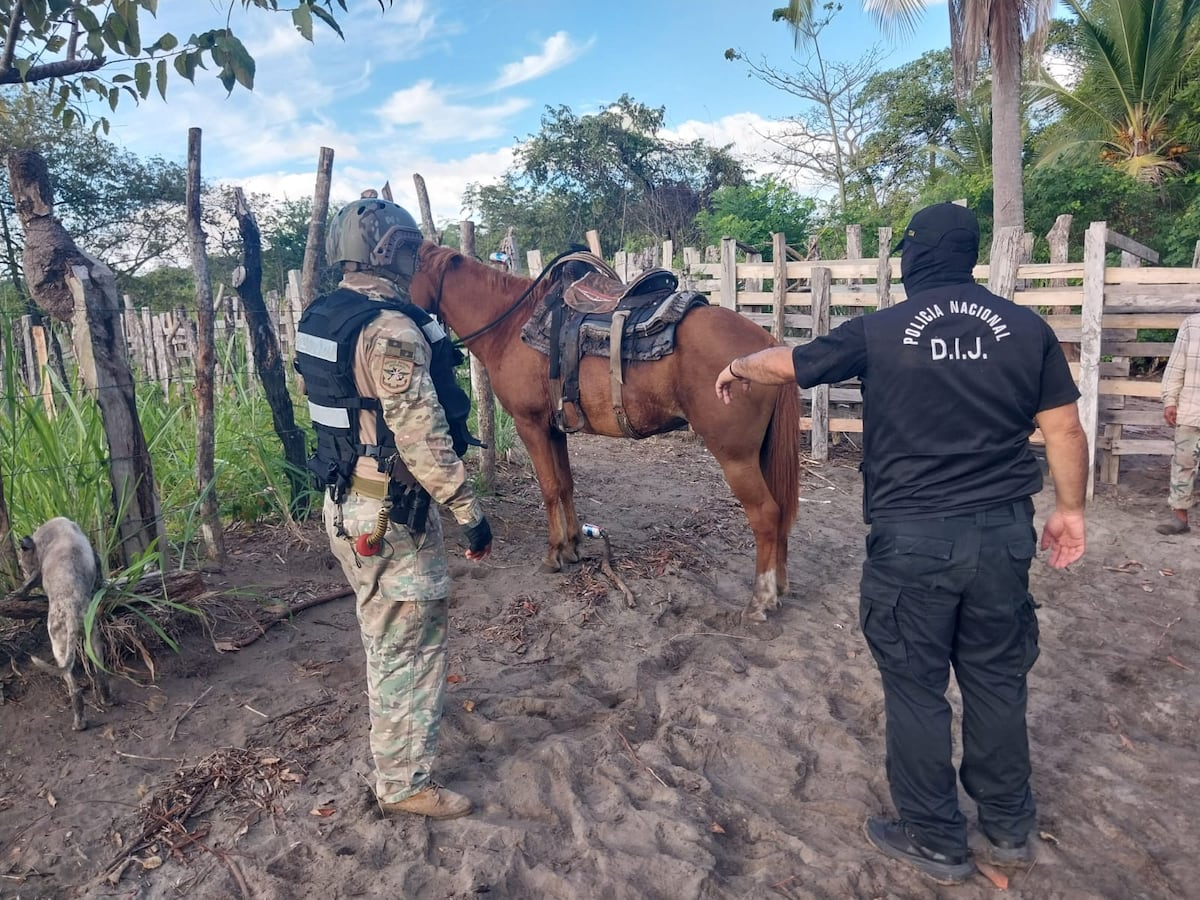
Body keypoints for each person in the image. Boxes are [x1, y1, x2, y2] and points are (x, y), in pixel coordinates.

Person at [714, 202, 1088, 884]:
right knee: (997, 680)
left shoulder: (883, 330)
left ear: (911, 258)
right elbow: (1064, 431)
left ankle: (935, 836)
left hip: (913, 540)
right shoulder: (1026, 329)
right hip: (1002, 533)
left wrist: (738, 366)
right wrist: (1070, 511)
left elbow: (790, 363)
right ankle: (1007, 828)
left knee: (916, 687)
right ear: (970, 255)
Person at [295, 193, 492, 820]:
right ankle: (404, 783)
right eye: (412, 248)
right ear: (393, 251)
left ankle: (398, 755)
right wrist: (468, 510)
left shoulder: (328, 315)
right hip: (386, 506)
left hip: (348, 497)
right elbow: (420, 433)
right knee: (407, 642)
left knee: (386, 635)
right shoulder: (392, 329)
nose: (417, 259)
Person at [1155, 313, 1200, 535]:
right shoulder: (1192, 325)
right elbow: (1175, 366)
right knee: (1183, 463)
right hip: (1192, 409)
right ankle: (1180, 519)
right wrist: (1170, 400)